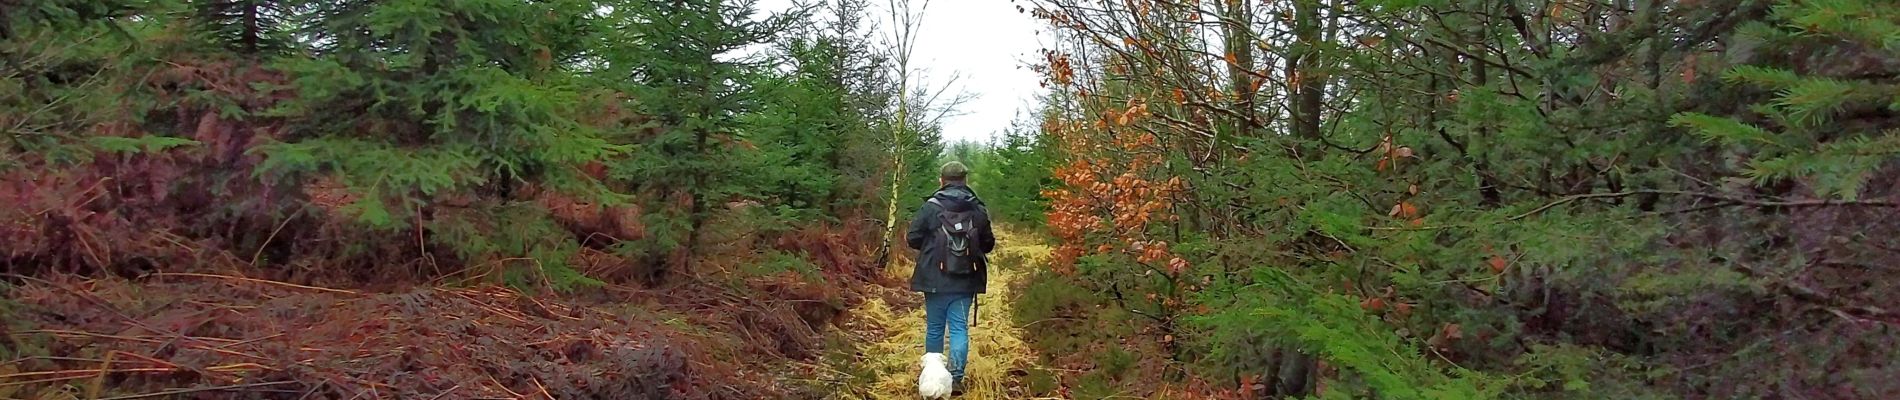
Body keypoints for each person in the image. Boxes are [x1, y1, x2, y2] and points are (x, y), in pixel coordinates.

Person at [907, 161, 996, 396]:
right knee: (959, 328)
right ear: (965, 180)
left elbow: (912, 238)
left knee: (935, 328)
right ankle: (956, 379)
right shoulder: (977, 209)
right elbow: (988, 244)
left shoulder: (931, 206)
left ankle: (934, 382)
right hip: (965, 280)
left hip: (934, 278)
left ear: (941, 180)